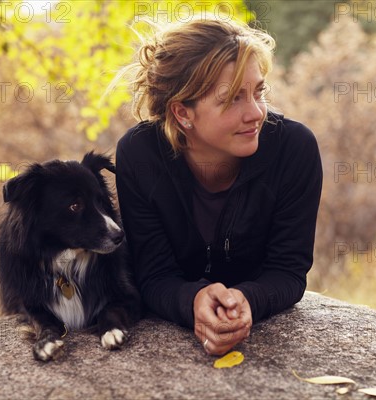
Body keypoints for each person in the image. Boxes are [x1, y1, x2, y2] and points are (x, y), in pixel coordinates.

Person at [114, 17, 323, 356]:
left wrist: (248, 300)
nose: (256, 113)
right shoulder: (140, 156)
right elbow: (153, 274)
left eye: (259, 92)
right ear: (183, 113)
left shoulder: (294, 150)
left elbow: (288, 271)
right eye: (232, 99)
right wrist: (191, 300)